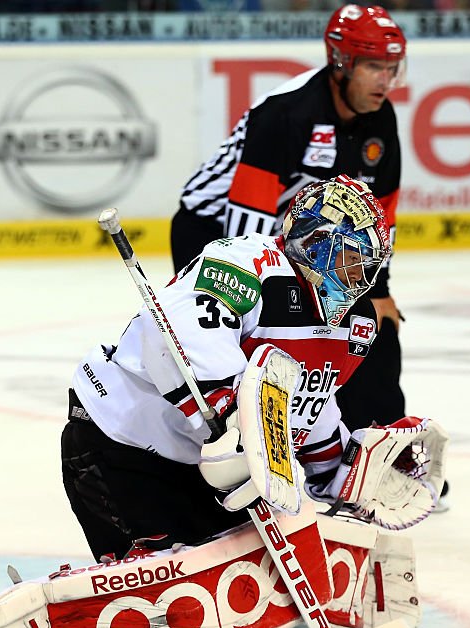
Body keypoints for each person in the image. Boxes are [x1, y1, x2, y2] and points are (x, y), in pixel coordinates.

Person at [62, 176, 425, 562]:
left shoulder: (353, 325)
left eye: (366, 265)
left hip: (205, 471)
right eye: (351, 258)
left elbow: (310, 402)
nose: (358, 278)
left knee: (249, 579)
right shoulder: (245, 263)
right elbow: (169, 337)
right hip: (124, 444)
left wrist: (343, 470)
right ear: (316, 242)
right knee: (174, 598)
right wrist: (235, 419)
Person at [172, 5, 450, 504]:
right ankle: (231, 455)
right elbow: (244, 223)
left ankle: (379, 451)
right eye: (373, 67)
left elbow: (379, 217)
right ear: (340, 62)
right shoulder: (287, 113)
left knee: (371, 327)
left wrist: (378, 289)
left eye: (392, 68)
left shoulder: (379, 119)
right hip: (215, 233)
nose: (385, 80)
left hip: (302, 244)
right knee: (243, 344)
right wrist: (273, 299)